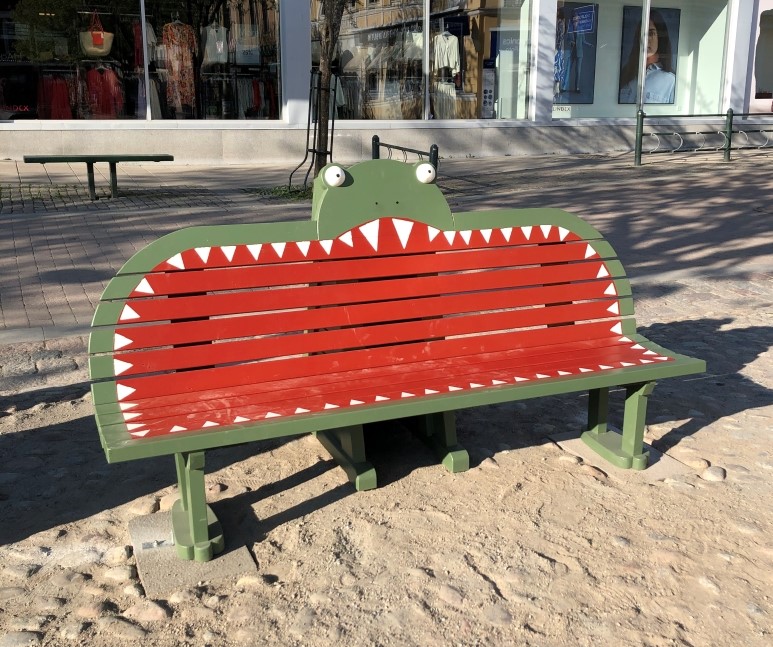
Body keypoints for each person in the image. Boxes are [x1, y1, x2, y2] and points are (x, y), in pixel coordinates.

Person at [619, 9, 676, 104]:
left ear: (660, 38)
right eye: (642, 34)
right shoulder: (626, 74)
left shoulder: (671, 81)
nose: (646, 39)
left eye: (651, 33)